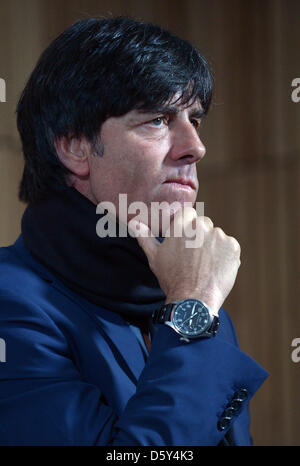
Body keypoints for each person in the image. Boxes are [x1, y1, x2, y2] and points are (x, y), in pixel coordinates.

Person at [0, 16, 268, 446]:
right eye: (158, 119)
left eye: (194, 120)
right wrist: (193, 308)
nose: (196, 147)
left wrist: (192, 303)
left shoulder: (190, 293)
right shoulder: (8, 302)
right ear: (75, 146)